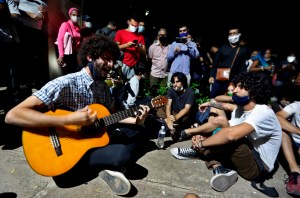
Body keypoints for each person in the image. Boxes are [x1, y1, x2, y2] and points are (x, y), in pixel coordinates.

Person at [5, 35, 154, 196]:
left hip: (88, 141)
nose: (111, 65)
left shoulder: (103, 87)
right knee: (123, 155)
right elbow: (13, 115)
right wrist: (68, 119)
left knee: (141, 131)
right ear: (90, 56)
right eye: (106, 59)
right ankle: (89, 166)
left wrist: (136, 120)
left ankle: (94, 166)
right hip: (60, 147)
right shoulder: (65, 83)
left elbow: (112, 114)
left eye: (113, 61)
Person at [171, 71, 282, 197]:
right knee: (220, 123)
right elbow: (225, 108)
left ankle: (199, 151)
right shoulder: (242, 109)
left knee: (227, 136)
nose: (234, 90)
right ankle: (220, 168)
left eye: (240, 87)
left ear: (253, 92)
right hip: (246, 154)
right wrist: (209, 107)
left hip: (257, 167)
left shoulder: (263, 112)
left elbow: (230, 135)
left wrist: (202, 143)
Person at [209, 25, 248, 99]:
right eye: (231, 34)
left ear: (239, 34)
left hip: (234, 79)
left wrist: (239, 80)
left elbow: (243, 68)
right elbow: (215, 64)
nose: (233, 35)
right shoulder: (222, 48)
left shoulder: (243, 51)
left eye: (234, 33)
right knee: (214, 97)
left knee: (231, 98)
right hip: (220, 77)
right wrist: (211, 76)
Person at [157, 72, 197, 141]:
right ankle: (170, 126)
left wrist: (175, 118)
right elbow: (168, 105)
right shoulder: (171, 90)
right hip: (174, 112)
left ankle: (175, 129)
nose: (175, 84)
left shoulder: (190, 92)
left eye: (177, 82)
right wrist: (169, 118)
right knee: (160, 111)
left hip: (184, 114)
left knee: (185, 119)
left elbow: (187, 108)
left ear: (183, 82)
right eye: (173, 82)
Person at [276, 101, 300, 196]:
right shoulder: (297, 105)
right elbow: (277, 117)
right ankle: (295, 172)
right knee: (282, 130)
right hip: (294, 142)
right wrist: (298, 131)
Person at [114, 14, 146, 80]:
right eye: (132, 25)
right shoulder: (120, 32)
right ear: (128, 22)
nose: (134, 27)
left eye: (136, 26)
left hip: (134, 66)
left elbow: (144, 52)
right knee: (119, 84)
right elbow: (115, 48)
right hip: (122, 64)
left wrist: (138, 48)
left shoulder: (140, 36)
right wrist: (127, 45)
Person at [56, 7, 81, 75]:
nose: (76, 17)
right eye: (73, 15)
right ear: (70, 15)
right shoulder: (65, 24)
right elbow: (60, 39)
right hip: (65, 53)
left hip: (73, 53)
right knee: (66, 73)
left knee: (73, 72)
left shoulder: (78, 27)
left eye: (77, 15)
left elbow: (78, 41)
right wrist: (61, 55)